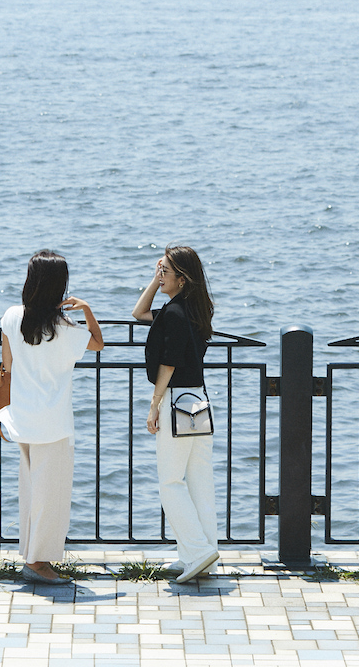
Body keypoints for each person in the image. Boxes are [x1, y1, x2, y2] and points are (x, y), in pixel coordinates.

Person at [0, 250, 104, 584]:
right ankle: (38, 563)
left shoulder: (12, 317)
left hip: (22, 417)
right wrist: (86, 309)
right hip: (54, 422)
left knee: (30, 491)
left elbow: (7, 366)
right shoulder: (64, 327)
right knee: (51, 495)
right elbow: (98, 343)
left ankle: (31, 555)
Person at [133, 244, 219, 584]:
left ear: (182, 279)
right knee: (199, 483)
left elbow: (168, 364)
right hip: (198, 399)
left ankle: (197, 552)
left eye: (165, 272)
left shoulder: (174, 314)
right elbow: (139, 312)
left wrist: (154, 405)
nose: (160, 276)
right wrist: (155, 280)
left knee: (170, 482)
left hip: (175, 401)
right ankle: (202, 555)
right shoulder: (194, 311)